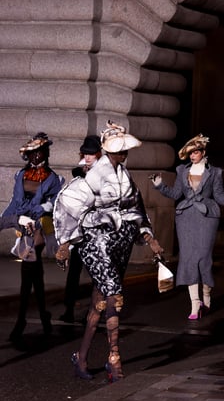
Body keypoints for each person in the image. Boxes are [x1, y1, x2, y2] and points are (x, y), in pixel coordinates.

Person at [53, 121, 163, 382]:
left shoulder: (125, 175)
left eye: (124, 150)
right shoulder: (95, 173)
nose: (122, 154)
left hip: (121, 241)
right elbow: (71, 202)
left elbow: (136, 208)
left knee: (99, 302)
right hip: (98, 241)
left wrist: (149, 237)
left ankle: (81, 357)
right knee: (114, 295)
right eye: (117, 150)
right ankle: (114, 358)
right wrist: (65, 243)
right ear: (106, 150)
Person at [150, 133, 224, 320]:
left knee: (204, 258)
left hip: (207, 216)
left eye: (196, 152)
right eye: (190, 153)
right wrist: (159, 185)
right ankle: (195, 303)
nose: (192, 155)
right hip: (186, 217)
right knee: (189, 259)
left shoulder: (215, 172)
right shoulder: (182, 171)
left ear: (203, 152)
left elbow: (219, 196)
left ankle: (206, 294)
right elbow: (175, 194)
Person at [3, 132, 64, 344]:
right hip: (22, 224)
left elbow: (54, 204)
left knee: (27, 272)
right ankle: (43, 317)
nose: (34, 157)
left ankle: (20, 321)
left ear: (44, 153)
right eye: (31, 153)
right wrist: (4, 220)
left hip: (38, 227)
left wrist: (38, 209)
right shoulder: (21, 174)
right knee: (34, 276)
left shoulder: (53, 178)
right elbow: (14, 200)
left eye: (37, 152)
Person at [59, 135, 102, 324]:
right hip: (80, 227)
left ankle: (96, 311)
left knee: (96, 272)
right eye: (86, 153)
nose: (88, 156)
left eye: (92, 153)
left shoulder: (105, 172)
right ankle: (68, 309)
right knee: (74, 270)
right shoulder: (80, 170)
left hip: (97, 227)